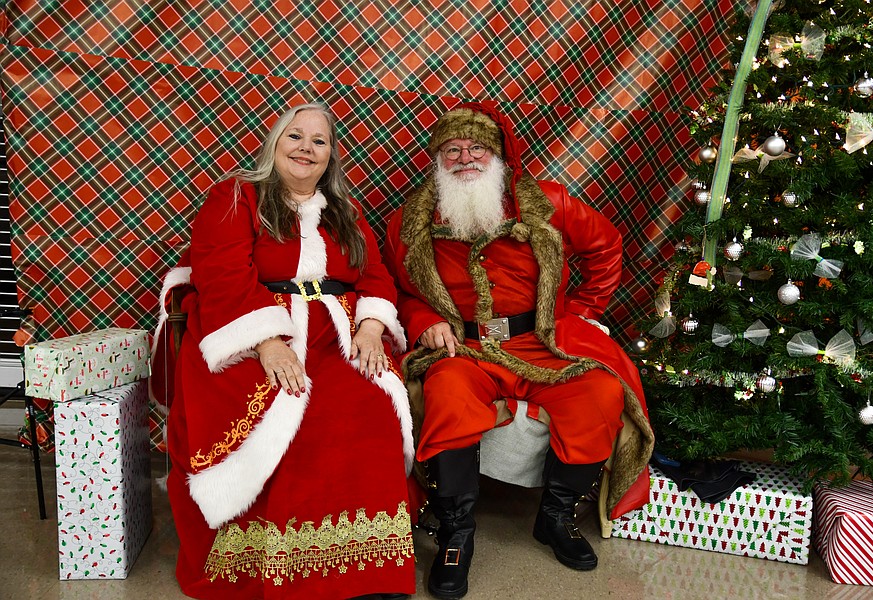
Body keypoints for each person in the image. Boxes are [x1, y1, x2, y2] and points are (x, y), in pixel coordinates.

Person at [383, 103, 654, 599]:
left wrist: (582, 311)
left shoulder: (547, 201)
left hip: (542, 341)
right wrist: (424, 322)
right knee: (447, 396)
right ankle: (455, 535)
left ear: (499, 157)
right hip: (465, 346)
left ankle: (555, 517)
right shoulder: (409, 221)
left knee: (599, 393)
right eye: (452, 150)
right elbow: (400, 290)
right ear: (437, 160)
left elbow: (606, 246)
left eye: (477, 148)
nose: (465, 158)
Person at [151, 103, 416, 600]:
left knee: (370, 403)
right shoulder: (237, 196)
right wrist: (268, 342)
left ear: (331, 155)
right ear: (274, 143)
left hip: (336, 335)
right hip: (254, 330)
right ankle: (276, 567)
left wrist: (371, 326)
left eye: (319, 141)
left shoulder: (345, 211)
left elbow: (375, 273)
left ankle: (366, 568)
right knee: (291, 408)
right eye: (295, 136)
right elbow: (222, 272)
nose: (305, 148)